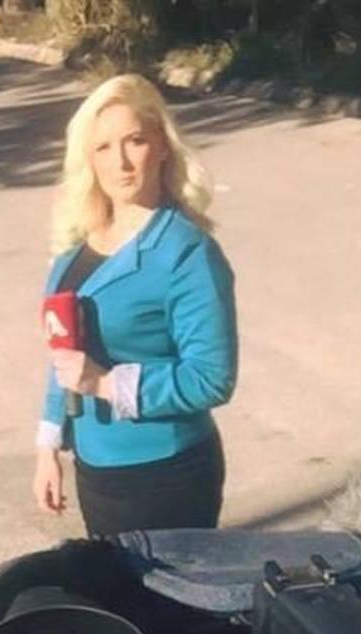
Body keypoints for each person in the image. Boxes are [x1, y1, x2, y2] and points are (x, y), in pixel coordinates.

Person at [32, 73, 238, 538]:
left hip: (165, 475)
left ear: (162, 146)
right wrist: (48, 445)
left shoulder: (187, 253)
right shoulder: (75, 249)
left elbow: (211, 377)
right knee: (112, 584)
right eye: (103, 147)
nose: (121, 163)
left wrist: (107, 384)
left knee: (161, 590)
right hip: (96, 469)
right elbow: (65, 356)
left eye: (135, 141)